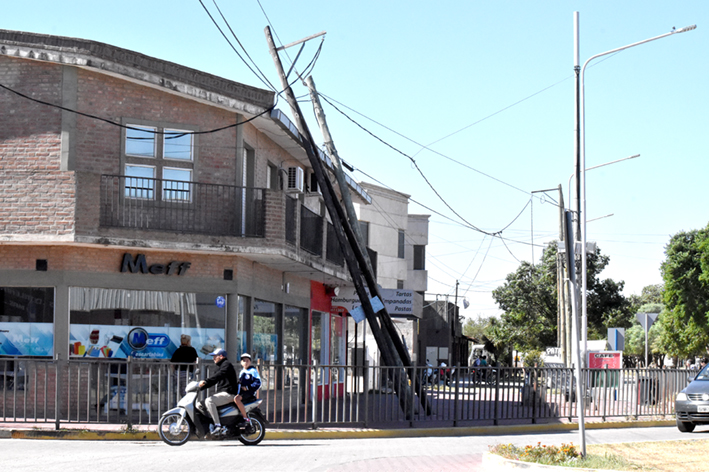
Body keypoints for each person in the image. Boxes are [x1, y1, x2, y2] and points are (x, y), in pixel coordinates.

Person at [198, 348, 238, 436]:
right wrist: (200, 387)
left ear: (221, 356)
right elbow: (214, 380)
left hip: (229, 393)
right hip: (222, 394)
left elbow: (218, 376)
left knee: (209, 401)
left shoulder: (227, 365)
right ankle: (210, 425)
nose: (213, 358)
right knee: (199, 405)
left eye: (215, 356)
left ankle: (218, 426)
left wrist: (206, 381)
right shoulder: (220, 366)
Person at [233, 353, 261, 425]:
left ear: (250, 362)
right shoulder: (242, 371)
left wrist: (248, 387)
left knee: (237, 399)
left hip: (248, 393)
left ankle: (245, 418)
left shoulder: (252, 371)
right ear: (241, 362)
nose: (245, 362)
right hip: (241, 392)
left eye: (247, 361)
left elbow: (258, 383)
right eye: (244, 360)